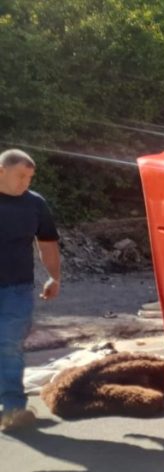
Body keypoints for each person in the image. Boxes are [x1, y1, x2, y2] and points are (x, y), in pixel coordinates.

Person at [0, 149, 60, 432]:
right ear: (1, 171)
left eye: (30, 177)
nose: (26, 182)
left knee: (9, 346)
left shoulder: (35, 204)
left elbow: (47, 243)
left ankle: (12, 410)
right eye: (20, 176)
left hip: (17, 288)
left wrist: (53, 277)